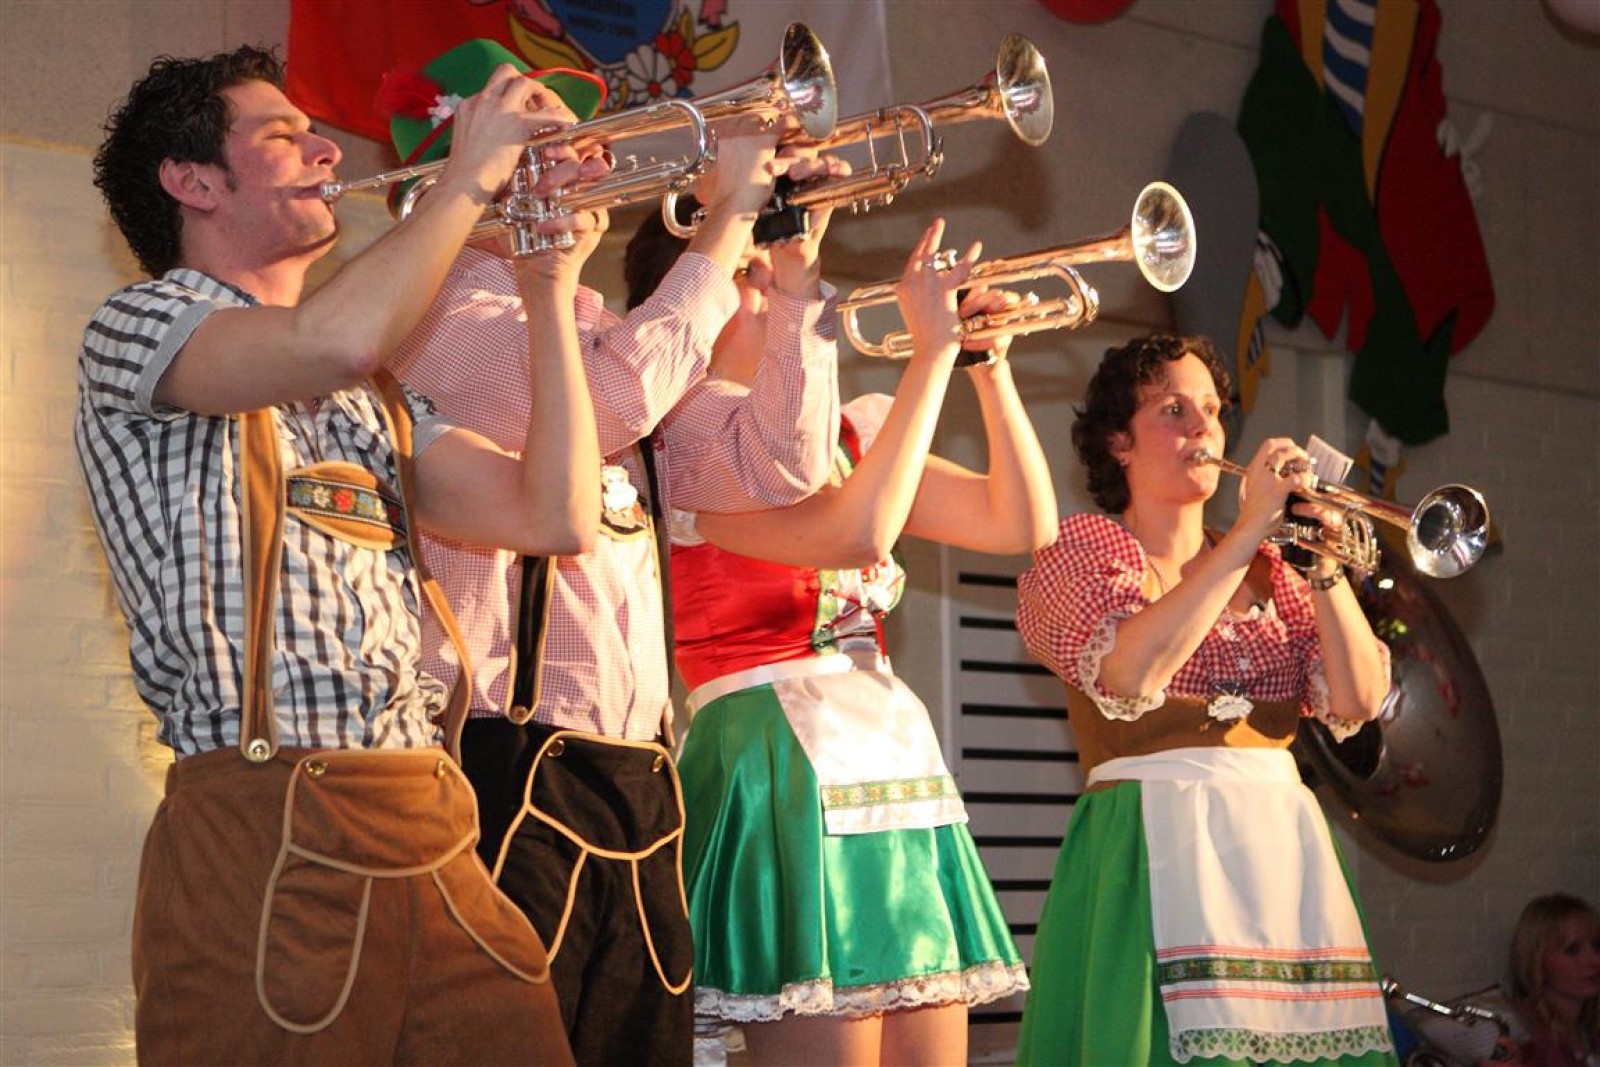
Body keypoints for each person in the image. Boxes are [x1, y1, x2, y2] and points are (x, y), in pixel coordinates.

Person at [77, 43, 606, 1064]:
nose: (328, 151)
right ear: (192, 181)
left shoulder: (376, 396)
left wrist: (548, 285)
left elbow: (554, 516)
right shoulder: (139, 323)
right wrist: (464, 178)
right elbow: (329, 341)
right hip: (263, 823)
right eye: (285, 135)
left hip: (432, 818)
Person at [387, 39, 843, 1067]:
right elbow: (611, 403)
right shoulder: (437, 316)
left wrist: (794, 272)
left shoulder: (606, 325)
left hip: (642, 776)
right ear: (462, 164)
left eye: (582, 138)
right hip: (506, 764)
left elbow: (779, 467)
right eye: (548, 140)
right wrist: (724, 222)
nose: (592, 158)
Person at [625, 214, 1054, 1065]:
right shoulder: (683, 446)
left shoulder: (854, 433)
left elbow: (1019, 521)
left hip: (889, 754)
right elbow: (854, 535)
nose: (770, 285)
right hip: (773, 760)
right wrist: (928, 358)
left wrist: (985, 365)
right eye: (745, 272)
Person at [1013, 332, 1399, 1066]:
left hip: (1280, 855)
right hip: (1147, 848)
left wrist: (1321, 566)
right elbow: (1131, 672)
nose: (1203, 429)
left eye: (1213, 411)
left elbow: (1360, 700)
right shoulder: (1086, 550)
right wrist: (1249, 532)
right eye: (1173, 410)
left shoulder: (1274, 571)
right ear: (1118, 443)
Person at [1501, 893, 1600, 1066]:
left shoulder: (1589, 1027)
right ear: (1536, 960)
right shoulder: (1525, 1038)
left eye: (1598, 947)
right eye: (1573, 950)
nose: (1595, 960)